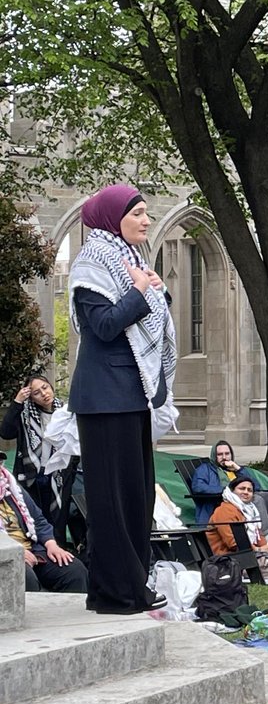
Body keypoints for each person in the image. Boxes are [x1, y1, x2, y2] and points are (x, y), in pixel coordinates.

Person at [67, 183, 176, 614]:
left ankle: (126, 585)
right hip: (103, 399)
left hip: (131, 397)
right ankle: (118, 592)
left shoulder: (132, 260)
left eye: (147, 213)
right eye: (138, 213)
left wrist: (149, 290)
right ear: (115, 218)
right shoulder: (91, 264)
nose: (146, 221)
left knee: (136, 497)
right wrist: (140, 293)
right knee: (111, 501)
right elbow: (104, 327)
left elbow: (155, 312)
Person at [1, 375, 78, 544]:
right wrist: (17, 402)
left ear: (51, 386)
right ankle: (37, 555)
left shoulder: (66, 412)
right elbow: (6, 432)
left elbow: (76, 443)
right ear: (31, 397)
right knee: (33, 519)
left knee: (58, 519)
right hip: (31, 476)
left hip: (59, 474)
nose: (44, 394)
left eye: (45, 387)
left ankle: (59, 555)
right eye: (36, 392)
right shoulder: (25, 415)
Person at [0, 462, 88, 594]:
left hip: (33, 547)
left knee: (74, 571)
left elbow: (39, 520)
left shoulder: (9, 485)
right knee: (22, 575)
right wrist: (15, 552)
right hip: (6, 553)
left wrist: (52, 545)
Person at [189, 440, 268, 538]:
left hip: (247, 496)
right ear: (214, 456)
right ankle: (267, 537)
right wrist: (227, 490)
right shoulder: (205, 469)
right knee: (257, 499)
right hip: (227, 502)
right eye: (220, 454)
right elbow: (198, 487)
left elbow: (256, 486)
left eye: (227, 454)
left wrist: (238, 469)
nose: (224, 457)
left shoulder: (235, 469)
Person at [205, 471, 268, 577]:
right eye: (242, 488)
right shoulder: (224, 510)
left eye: (250, 490)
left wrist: (267, 547)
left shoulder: (250, 510)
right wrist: (259, 549)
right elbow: (233, 543)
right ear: (232, 491)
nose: (246, 492)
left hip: (245, 552)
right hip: (225, 557)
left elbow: (258, 535)